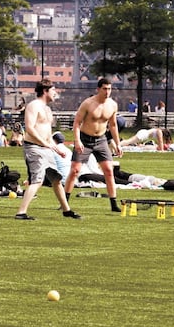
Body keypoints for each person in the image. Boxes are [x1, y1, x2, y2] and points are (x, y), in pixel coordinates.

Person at [15, 79, 81, 220]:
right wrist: (45, 143)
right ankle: (21, 212)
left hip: (46, 148)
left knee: (56, 179)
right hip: (34, 148)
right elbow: (30, 129)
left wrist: (57, 149)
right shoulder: (33, 106)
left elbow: (47, 134)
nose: (55, 93)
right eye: (53, 90)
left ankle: (66, 210)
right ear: (45, 91)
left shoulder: (48, 109)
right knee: (37, 180)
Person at [64, 77, 123, 213]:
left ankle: (113, 204)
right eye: (104, 89)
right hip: (85, 139)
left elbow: (113, 125)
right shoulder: (88, 103)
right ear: (98, 89)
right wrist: (77, 141)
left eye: (109, 89)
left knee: (108, 170)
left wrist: (118, 144)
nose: (107, 92)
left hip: (101, 140)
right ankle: (65, 201)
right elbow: (77, 123)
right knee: (74, 171)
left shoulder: (112, 105)